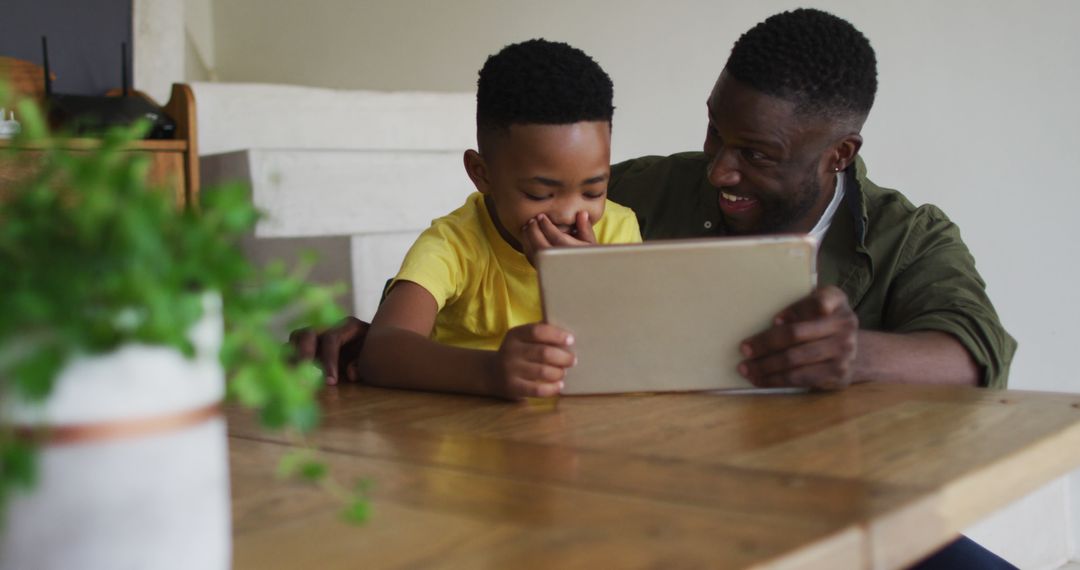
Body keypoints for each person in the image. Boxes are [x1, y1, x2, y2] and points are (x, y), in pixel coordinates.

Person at [293, 9, 1015, 392]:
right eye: (714, 129)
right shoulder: (631, 192)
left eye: (757, 155)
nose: (719, 170)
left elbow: (971, 353)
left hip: (832, 485)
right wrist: (390, 339)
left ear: (839, 155)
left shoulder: (904, 235)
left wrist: (851, 357)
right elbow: (491, 241)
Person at [348, 39, 641, 399]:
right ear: (481, 173)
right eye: (539, 194)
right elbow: (381, 351)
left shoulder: (618, 228)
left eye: (593, 191)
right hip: (464, 436)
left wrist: (584, 280)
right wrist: (490, 371)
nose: (568, 213)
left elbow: (638, 350)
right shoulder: (454, 244)